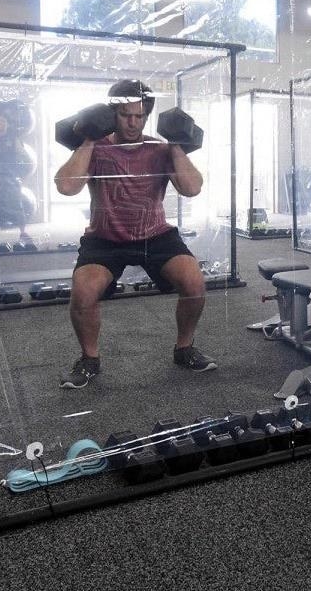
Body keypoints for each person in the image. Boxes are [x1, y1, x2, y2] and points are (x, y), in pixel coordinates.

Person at [54, 79, 211, 389]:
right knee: (83, 293)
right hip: (105, 238)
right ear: (113, 114)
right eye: (125, 115)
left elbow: (192, 188)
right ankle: (89, 360)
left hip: (155, 235)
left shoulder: (161, 149)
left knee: (194, 282)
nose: (132, 123)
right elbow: (66, 186)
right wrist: (87, 140)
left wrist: (176, 145)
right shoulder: (97, 148)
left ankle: (184, 348)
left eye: (139, 116)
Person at [0, 101, 36, 238]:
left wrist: (21, 174)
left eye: (2, 122)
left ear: (7, 125)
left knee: (16, 204)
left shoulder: (13, 139)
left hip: (10, 178)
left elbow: (25, 156)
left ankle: (23, 232)